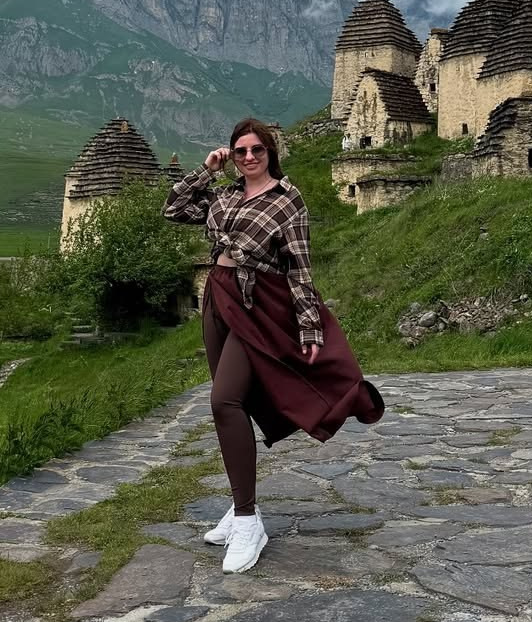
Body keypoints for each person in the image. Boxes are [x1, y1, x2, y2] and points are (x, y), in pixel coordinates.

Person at [163, 117, 384, 573]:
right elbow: (173, 208)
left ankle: (248, 522)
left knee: (224, 401)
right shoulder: (223, 196)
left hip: (260, 304)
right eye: (240, 151)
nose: (248, 157)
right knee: (234, 404)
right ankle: (240, 505)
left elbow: (300, 269)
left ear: (270, 152)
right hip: (219, 297)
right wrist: (206, 170)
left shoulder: (287, 199)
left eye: (257, 150)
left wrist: (310, 327)